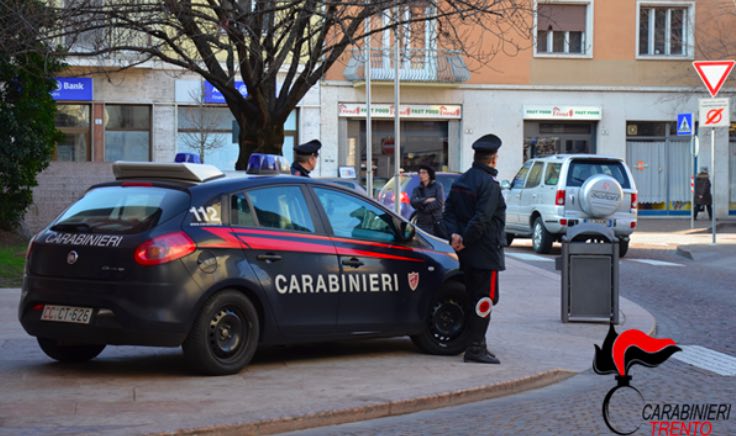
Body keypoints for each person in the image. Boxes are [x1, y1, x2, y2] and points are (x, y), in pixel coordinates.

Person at [443, 134, 506, 364]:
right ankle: (476, 348)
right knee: (485, 300)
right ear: (493, 159)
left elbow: (448, 212)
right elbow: (482, 219)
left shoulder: (462, 180)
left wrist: (455, 237)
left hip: (466, 253)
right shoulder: (489, 185)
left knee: (473, 298)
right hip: (485, 253)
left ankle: (476, 342)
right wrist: (466, 239)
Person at [410, 165, 446, 237]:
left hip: (435, 222)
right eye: (420, 173)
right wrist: (425, 200)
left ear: (429, 174)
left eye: (423, 173)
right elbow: (413, 202)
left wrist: (424, 209)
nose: (421, 175)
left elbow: (439, 202)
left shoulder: (437, 186)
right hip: (422, 223)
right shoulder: (417, 189)